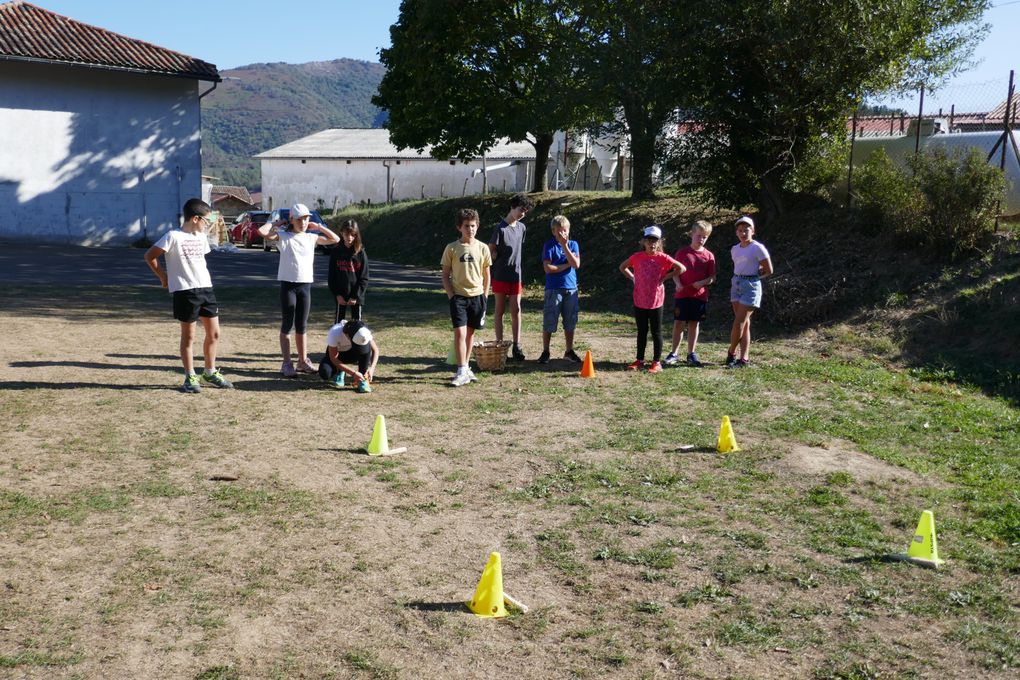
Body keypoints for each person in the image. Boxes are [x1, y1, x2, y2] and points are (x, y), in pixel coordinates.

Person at [143, 198, 233, 393]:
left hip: (206, 289)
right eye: (206, 221)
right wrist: (163, 276)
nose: (207, 225)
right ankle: (190, 376)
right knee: (189, 336)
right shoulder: (173, 236)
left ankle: (209, 371)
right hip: (185, 291)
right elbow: (150, 256)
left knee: (215, 333)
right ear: (195, 218)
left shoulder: (200, 237)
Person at [259, 204, 340, 377]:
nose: (303, 222)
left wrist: (318, 227)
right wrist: (279, 222)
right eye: (299, 219)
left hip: (305, 286)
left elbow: (336, 239)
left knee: (302, 326)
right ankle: (287, 363)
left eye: (306, 218)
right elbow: (262, 232)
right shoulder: (283, 236)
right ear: (292, 220)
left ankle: (302, 361)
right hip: (288, 285)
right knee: (287, 325)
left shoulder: (311, 237)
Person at [619, 225, 685, 374]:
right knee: (642, 331)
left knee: (656, 332)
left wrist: (665, 277)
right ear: (643, 242)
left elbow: (681, 268)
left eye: (655, 240)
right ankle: (639, 360)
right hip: (640, 300)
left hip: (656, 301)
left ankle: (656, 362)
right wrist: (633, 278)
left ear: (659, 242)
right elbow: (623, 267)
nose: (652, 244)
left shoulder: (663, 258)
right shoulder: (637, 257)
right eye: (649, 240)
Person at [442, 208, 492, 387]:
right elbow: (445, 275)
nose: (470, 229)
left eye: (473, 226)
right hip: (459, 298)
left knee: (470, 333)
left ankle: (467, 367)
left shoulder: (483, 248)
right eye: (466, 226)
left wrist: (485, 296)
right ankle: (461, 369)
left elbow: (487, 276)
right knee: (460, 333)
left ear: (477, 227)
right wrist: (451, 296)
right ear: (459, 227)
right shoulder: (452, 248)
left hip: (477, 297)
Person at [488, 193, 535, 360]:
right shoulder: (500, 228)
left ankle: (517, 345)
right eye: (521, 210)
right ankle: (500, 345)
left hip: (516, 276)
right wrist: (492, 255)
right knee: (500, 310)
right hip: (500, 274)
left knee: (516, 309)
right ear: (512, 207)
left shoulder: (522, 228)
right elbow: (490, 249)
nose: (523, 213)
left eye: (526, 211)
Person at [665, 220, 716, 367]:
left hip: (699, 296)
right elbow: (674, 271)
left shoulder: (709, 256)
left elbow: (713, 277)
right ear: (692, 234)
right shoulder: (682, 252)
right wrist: (678, 284)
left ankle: (691, 353)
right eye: (699, 235)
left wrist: (702, 282)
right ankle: (673, 353)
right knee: (679, 323)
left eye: (705, 237)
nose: (701, 239)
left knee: (694, 324)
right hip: (682, 295)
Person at [725, 215, 773, 368]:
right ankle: (744, 358)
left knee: (738, 323)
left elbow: (768, 270)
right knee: (744, 324)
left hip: (750, 286)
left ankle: (731, 352)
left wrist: (754, 276)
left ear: (753, 231)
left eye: (746, 230)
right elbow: (739, 266)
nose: (743, 233)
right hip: (736, 283)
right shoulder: (735, 249)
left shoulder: (757, 247)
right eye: (740, 230)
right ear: (736, 233)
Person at [538, 215, 582, 364]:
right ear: (553, 232)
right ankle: (546, 351)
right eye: (559, 231)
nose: (563, 234)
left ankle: (569, 351)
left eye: (565, 230)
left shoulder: (573, 244)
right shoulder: (549, 245)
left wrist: (565, 246)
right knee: (549, 320)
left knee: (570, 321)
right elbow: (548, 268)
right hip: (553, 289)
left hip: (571, 289)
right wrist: (565, 265)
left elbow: (576, 264)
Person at [317, 319, 379, 393]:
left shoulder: (364, 331)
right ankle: (339, 371)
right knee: (325, 372)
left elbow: (375, 350)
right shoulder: (335, 332)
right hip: (338, 355)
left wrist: (371, 368)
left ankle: (363, 379)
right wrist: (353, 373)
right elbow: (333, 358)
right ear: (348, 336)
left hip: (353, 355)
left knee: (367, 348)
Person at [328, 219, 369, 323]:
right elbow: (331, 276)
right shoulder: (336, 252)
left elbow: (364, 278)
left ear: (356, 235)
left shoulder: (361, 253)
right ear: (342, 233)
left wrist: (355, 296)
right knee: (338, 326)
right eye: (346, 234)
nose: (349, 238)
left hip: (356, 297)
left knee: (357, 328)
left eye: (353, 235)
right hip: (340, 296)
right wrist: (337, 294)